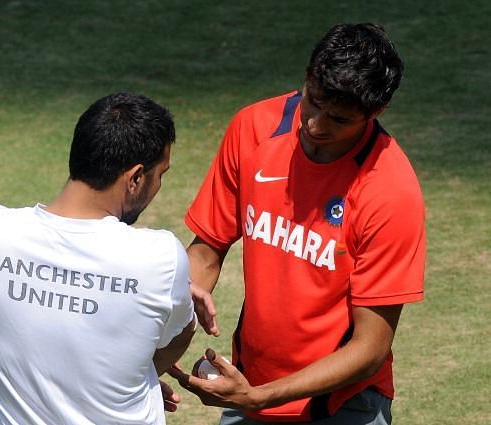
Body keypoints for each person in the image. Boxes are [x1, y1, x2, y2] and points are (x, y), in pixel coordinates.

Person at [169, 23, 426, 424]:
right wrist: (153, 339)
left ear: (375, 112)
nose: (315, 125)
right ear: (307, 79)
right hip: (251, 384)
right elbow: (207, 249)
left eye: (339, 119)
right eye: (313, 101)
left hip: (343, 405)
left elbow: (370, 347)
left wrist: (260, 397)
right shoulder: (255, 127)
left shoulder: (389, 190)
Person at [0, 92, 196, 425]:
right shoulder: (160, 259)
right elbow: (179, 334)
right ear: (136, 178)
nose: (159, 186)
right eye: (162, 174)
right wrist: (125, 385)